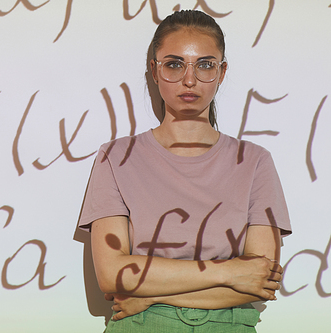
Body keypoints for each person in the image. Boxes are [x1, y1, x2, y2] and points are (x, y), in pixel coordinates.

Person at [78, 9, 291, 332]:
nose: (189, 80)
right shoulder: (117, 156)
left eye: (205, 64)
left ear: (221, 72)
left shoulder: (255, 161)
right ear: (154, 70)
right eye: (174, 64)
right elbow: (112, 275)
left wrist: (149, 295)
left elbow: (261, 280)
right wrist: (229, 272)